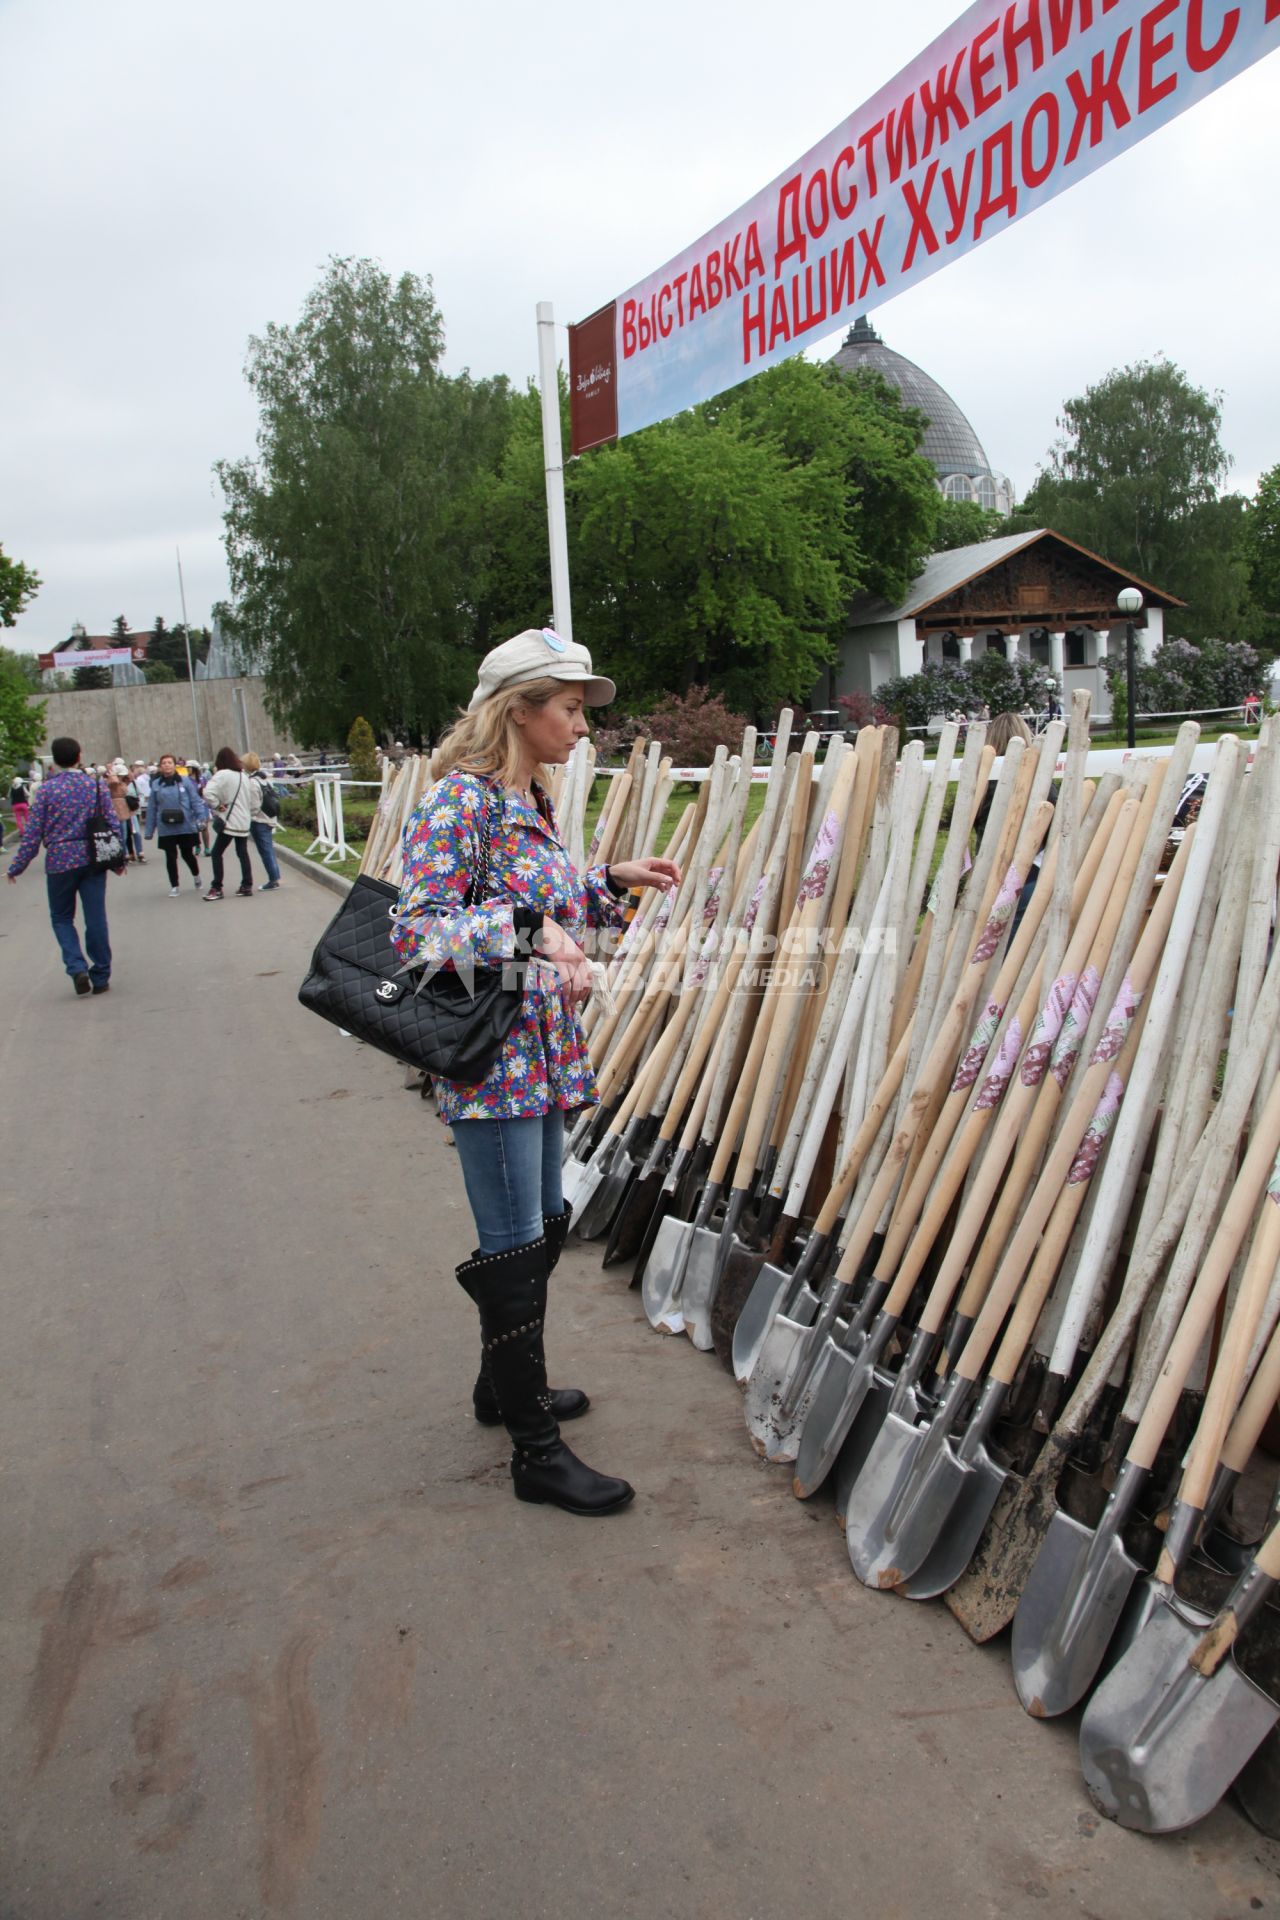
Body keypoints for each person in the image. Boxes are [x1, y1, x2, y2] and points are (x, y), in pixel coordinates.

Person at [392, 629, 681, 1518]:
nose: (582, 727)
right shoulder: (458, 804)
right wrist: (528, 933)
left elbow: (540, 905)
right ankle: (535, 1450)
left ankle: (501, 1383)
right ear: (518, 710)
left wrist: (606, 883)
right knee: (517, 1236)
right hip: (492, 1062)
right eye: (568, 709)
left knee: (544, 1219)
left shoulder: (529, 799)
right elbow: (418, 934)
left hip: (542, 1050)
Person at [5, 735, 118, 994]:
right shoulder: (96, 787)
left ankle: (77, 966)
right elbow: (111, 824)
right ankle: (100, 974)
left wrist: (17, 867)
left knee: (61, 917)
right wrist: (117, 860)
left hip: (59, 861)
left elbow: (32, 834)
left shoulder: (45, 791)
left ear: (53, 762)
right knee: (96, 917)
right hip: (92, 858)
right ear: (79, 757)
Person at [145, 752, 207, 892]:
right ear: (160, 767)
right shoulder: (156, 784)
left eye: (169, 762)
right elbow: (152, 808)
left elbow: (195, 801)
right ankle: (174, 885)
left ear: (174, 765)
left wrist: (201, 818)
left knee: (187, 854)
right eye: (164, 763)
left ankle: (196, 876)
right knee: (170, 856)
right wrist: (149, 830)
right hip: (166, 826)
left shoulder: (185, 781)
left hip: (185, 824)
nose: (167, 765)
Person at [201, 747, 255, 900]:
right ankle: (247, 885)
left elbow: (207, 792)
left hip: (230, 820)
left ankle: (217, 887)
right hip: (244, 820)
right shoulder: (243, 776)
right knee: (242, 852)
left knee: (217, 853)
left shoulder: (222, 774)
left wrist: (218, 806)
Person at [240, 752, 282, 890]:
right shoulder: (264, 778)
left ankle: (273, 880)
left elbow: (254, 805)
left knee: (265, 851)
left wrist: (248, 817)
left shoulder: (252, 782)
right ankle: (275, 876)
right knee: (269, 849)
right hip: (269, 818)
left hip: (259, 820)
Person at [8, 772, 31, 839]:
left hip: (15, 805)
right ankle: (29, 831)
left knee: (18, 820)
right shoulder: (22, 787)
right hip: (23, 804)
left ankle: (22, 832)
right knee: (27, 818)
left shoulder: (11, 788)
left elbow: (9, 796)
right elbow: (28, 794)